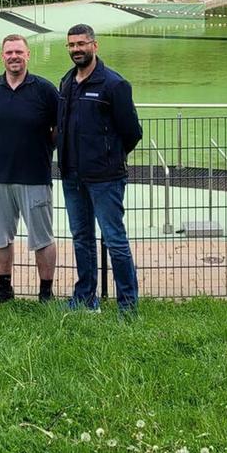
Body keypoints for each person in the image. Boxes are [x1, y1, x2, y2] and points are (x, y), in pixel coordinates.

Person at [56, 24, 142, 312]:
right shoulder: (67, 82)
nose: (77, 49)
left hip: (105, 179)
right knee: (81, 238)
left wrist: (108, 157)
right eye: (72, 45)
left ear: (95, 45)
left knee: (115, 240)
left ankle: (127, 305)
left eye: (82, 44)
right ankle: (84, 298)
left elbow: (132, 132)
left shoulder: (114, 85)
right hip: (71, 175)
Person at [0, 34, 60, 305]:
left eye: (19, 52)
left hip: (35, 176)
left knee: (42, 238)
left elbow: (58, 128)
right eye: (9, 52)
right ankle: (4, 289)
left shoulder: (45, 90)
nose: (14, 56)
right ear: (2, 56)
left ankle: (46, 292)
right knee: (0, 236)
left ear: (28, 55)